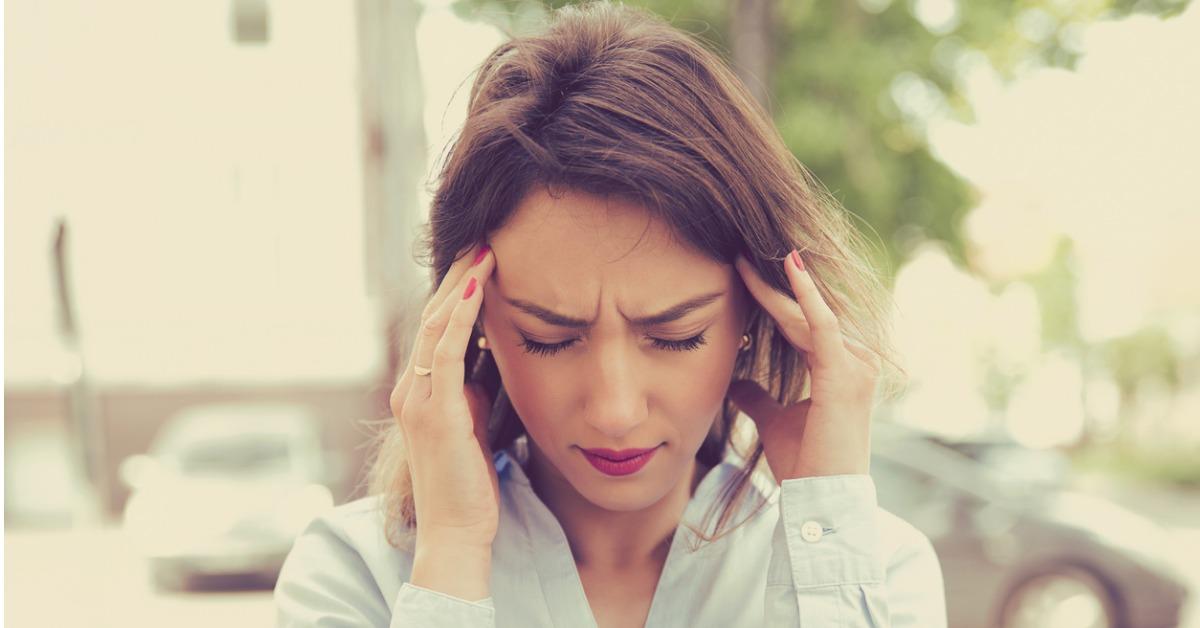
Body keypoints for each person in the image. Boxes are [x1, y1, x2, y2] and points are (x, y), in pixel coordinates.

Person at [274, 2, 946, 626]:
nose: (616, 411)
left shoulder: (875, 572)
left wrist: (823, 539)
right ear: (469, 323)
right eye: (549, 339)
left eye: (676, 336)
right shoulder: (354, 573)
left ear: (760, 313)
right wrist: (449, 556)